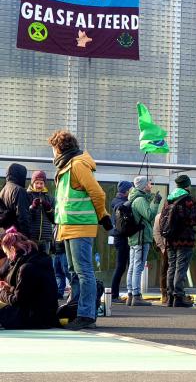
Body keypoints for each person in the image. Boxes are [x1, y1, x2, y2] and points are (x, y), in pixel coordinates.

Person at [50, 130, 111, 330]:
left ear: (59, 148)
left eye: (53, 149)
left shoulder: (77, 165)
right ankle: (77, 310)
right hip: (68, 226)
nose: (53, 153)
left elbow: (97, 192)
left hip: (80, 226)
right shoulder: (67, 166)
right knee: (73, 272)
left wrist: (103, 215)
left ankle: (87, 315)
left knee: (84, 272)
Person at [0, 230, 58, 329]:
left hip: (34, 317)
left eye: (7, 253)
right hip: (45, 314)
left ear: (12, 249)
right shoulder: (38, 259)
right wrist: (9, 289)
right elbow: (29, 294)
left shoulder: (27, 268)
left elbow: (18, 300)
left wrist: (1, 292)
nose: (8, 257)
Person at [163, 175, 196, 308]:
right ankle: (179, 296)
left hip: (170, 239)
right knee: (181, 267)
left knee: (171, 267)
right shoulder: (188, 200)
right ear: (187, 185)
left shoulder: (168, 200)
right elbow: (195, 219)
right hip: (185, 239)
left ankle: (170, 297)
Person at [126, 176, 161, 307]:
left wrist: (151, 198)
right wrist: (156, 202)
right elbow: (149, 215)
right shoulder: (140, 200)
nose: (150, 185)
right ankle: (136, 295)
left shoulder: (135, 198)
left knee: (132, 267)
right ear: (142, 186)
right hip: (141, 238)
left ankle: (130, 294)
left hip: (135, 238)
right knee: (138, 267)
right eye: (148, 184)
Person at [109, 181, 133, 303]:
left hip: (120, 238)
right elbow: (122, 207)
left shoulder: (116, 201)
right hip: (121, 238)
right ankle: (113, 295)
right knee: (120, 266)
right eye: (131, 189)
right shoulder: (120, 203)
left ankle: (116, 294)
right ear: (127, 191)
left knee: (123, 266)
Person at [26, 170, 55, 254]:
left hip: (45, 238)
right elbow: (25, 216)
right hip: (31, 237)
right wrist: (33, 207)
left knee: (44, 263)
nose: (39, 185)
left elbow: (54, 220)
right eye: (37, 183)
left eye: (41, 183)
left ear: (44, 184)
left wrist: (49, 209)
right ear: (32, 183)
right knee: (30, 263)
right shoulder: (27, 196)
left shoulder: (50, 198)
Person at [0, 163, 32, 238]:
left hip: (6, 236)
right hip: (18, 235)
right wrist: (27, 237)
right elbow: (23, 216)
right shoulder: (19, 190)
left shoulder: (2, 191)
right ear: (21, 175)